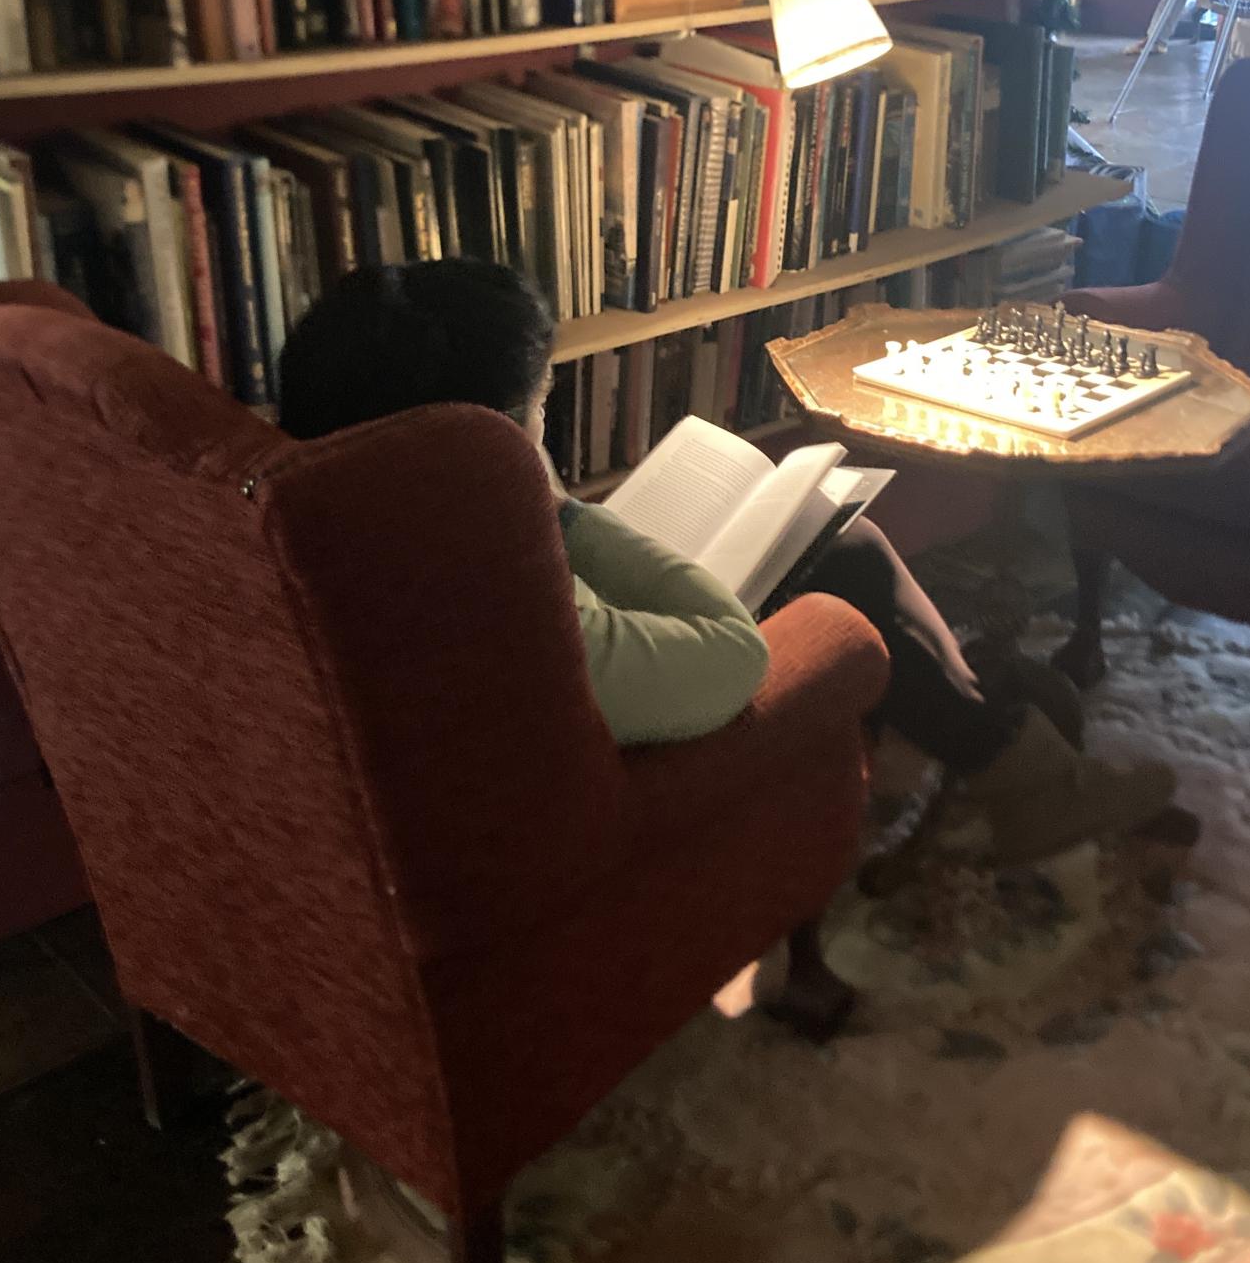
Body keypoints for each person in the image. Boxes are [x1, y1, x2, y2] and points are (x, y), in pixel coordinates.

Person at [277, 258, 1181, 877]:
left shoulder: (344, 532)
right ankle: (1014, 767)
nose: (541, 431)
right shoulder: (503, 611)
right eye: (539, 407)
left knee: (847, 544)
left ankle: (999, 749)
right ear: (469, 446)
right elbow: (732, 659)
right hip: (626, 779)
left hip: (588, 701)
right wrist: (563, 514)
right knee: (842, 587)